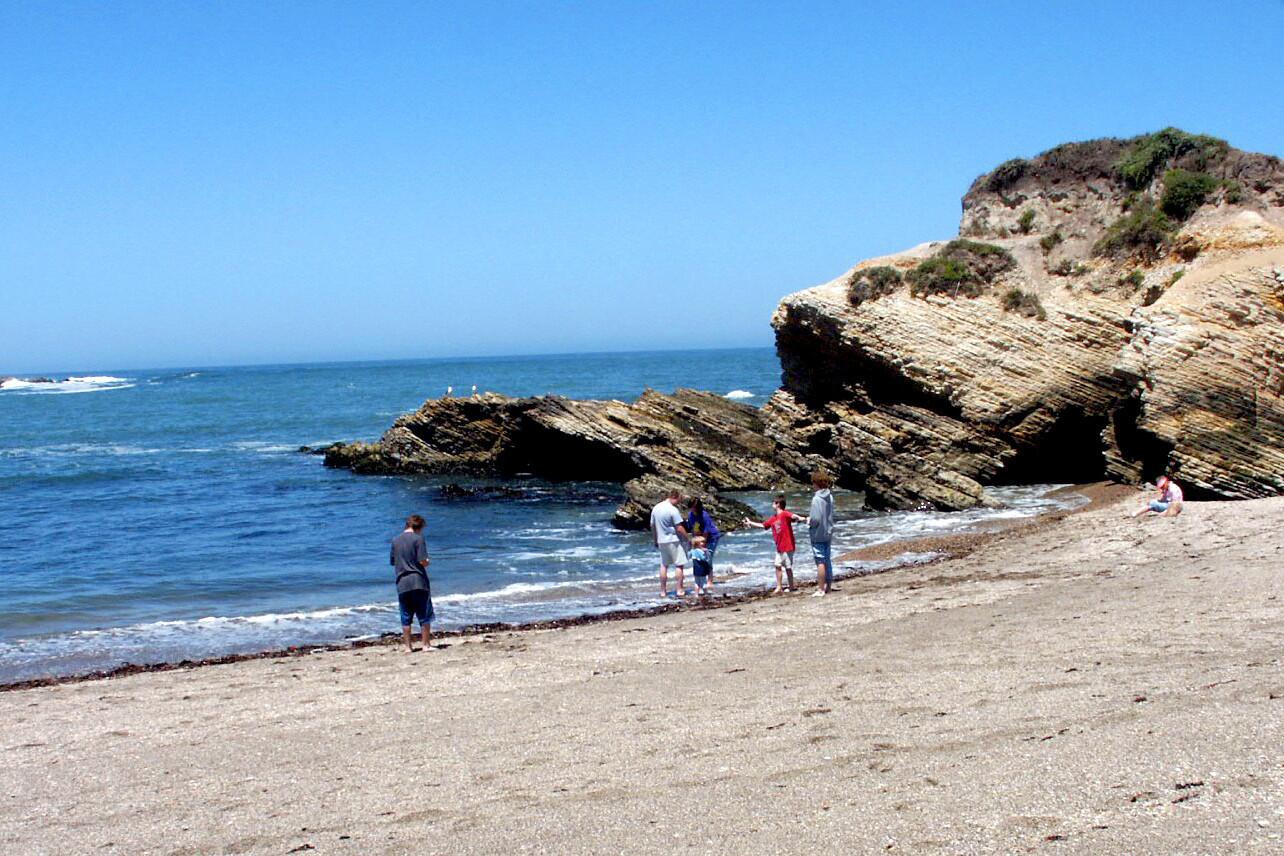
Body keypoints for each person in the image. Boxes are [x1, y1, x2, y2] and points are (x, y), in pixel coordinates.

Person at [744, 494, 807, 594]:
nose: (772, 504)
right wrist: (751, 523)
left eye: (774, 502)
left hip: (788, 546)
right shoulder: (773, 518)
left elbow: (793, 516)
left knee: (788, 567)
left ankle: (791, 586)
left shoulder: (784, 514)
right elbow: (763, 525)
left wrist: (801, 518)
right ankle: (779, 587)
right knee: (777, 565)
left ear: (778, 504)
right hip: (779, 547)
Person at [390, 514, 434, 652]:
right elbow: (422, 561)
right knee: (424, 614)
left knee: (406, 616)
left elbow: (393, 562)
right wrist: (428, 562)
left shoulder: (395, 540)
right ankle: (426, 644)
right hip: (418, 580)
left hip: (402, 582)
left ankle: (408, 647)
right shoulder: (418, 539)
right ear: (418, 527)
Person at [650, 488, 690, 597]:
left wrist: (655, 540)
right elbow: (679, 528)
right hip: (674, 540)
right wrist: (688, 539)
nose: (679, 502)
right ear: (675, 497)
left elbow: (653, 526)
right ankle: (679, 590)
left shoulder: (656, 508)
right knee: (679, 565)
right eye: (679, 499)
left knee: (664, 565)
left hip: (661, 540)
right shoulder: (673, 510)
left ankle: (663, 591)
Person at [685, 498, 722, 593]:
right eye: (691, 507)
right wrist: (694, 542)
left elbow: (707, 531)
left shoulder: (704, 515)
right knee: (699, 558)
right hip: (699, 537)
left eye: (694, 508)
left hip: (712, 537)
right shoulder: (691, 515)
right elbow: (694, 529)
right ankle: (701, 579)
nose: (692, 509)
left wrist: (703, 544)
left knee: (708, 558)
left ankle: (710, 581)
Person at [808, 472, 836, 597]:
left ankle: (820, 589)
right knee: (827, 559)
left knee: (820, 561)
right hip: (828, 531)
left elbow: (815, 519)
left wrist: (809, 522)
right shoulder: (830, 496)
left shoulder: (816, 499)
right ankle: (828, 586)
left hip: (818, 533)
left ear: (816, 483)